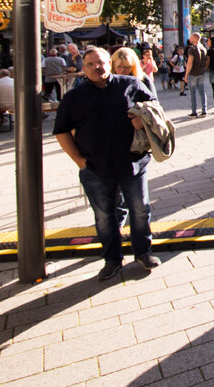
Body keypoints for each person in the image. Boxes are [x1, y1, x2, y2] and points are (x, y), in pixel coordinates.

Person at [54, 47, 161, 281]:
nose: (97, 67)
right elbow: (61, 131)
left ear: (109, 64)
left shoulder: (130, 84)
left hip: (133, 163)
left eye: (101, 63)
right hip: (96, 167)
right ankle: (112, 258)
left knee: (140, 210)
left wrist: (142, 120)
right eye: (90, 64)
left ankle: (143, 252)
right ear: (83, 69)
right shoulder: (75, 97)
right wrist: (79, 160)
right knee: (104, 216)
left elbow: (155, 110)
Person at [184, 33, 211, 117]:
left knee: (192, 93)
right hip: (202, 72)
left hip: (193, 73)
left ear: (195, 38)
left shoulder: (191, 49)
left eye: (191, 37)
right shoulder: (203, 48)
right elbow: (207, 60)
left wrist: (186, 74)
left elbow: (190, 62)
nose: (190, 39)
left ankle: (194, 111)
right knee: (202, 92)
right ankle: (204, 111)